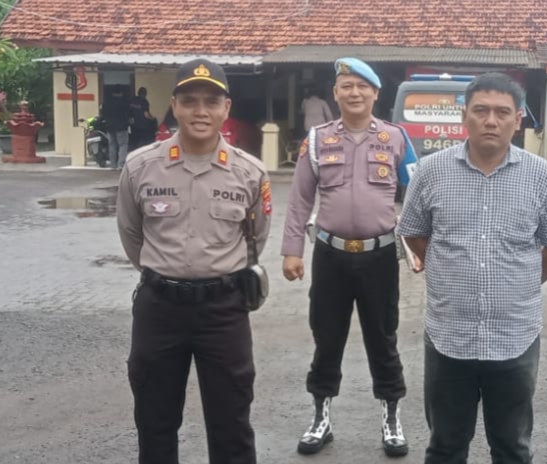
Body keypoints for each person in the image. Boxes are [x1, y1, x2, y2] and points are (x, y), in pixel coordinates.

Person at [397, 72, 547, 464]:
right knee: (445, 447)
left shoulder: (543, 176)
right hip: (449, 335)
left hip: (514, 336)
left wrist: (524, 282)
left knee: (512, 447)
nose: (491, 121)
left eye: (502, 112)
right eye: (481, 110)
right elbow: (412, 232)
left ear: (518, 119)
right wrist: (447, 272)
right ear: (464, 116)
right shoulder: (431, 171)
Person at [116, 58, 272, 464]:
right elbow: (132, 235)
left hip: (224, 311)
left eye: (211, 102)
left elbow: (255, 238)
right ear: (174, 105)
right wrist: (168, 273)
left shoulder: (250, 173)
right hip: (160, 308)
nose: (200, 111)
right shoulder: (140, 167)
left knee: (232, 423)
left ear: (226, 108)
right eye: (189, 101)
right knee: (155, 420)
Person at [281, 57, 418, 457]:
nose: (354, 93)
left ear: (375, 93)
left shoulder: (396, 138)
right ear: (335, 94)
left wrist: (419, 246)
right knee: (327, 338)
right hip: (331, 256)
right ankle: (320, 419)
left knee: (383, 338)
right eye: (346, 86)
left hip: (380, 257)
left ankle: (391, 419)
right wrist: (292, 251)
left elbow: (418, 193)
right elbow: (300, 199)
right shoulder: (318, 139)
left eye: (362, 86)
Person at [103, 85, 132, 168]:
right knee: (123, 145)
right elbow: (129, 114)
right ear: (121, 93)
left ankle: (113, 165)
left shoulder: (106, 102)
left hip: (109, 127)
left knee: (112, 145)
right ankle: (121, 164)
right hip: (121, 127)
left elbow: (103, 114)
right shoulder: (124, 102)